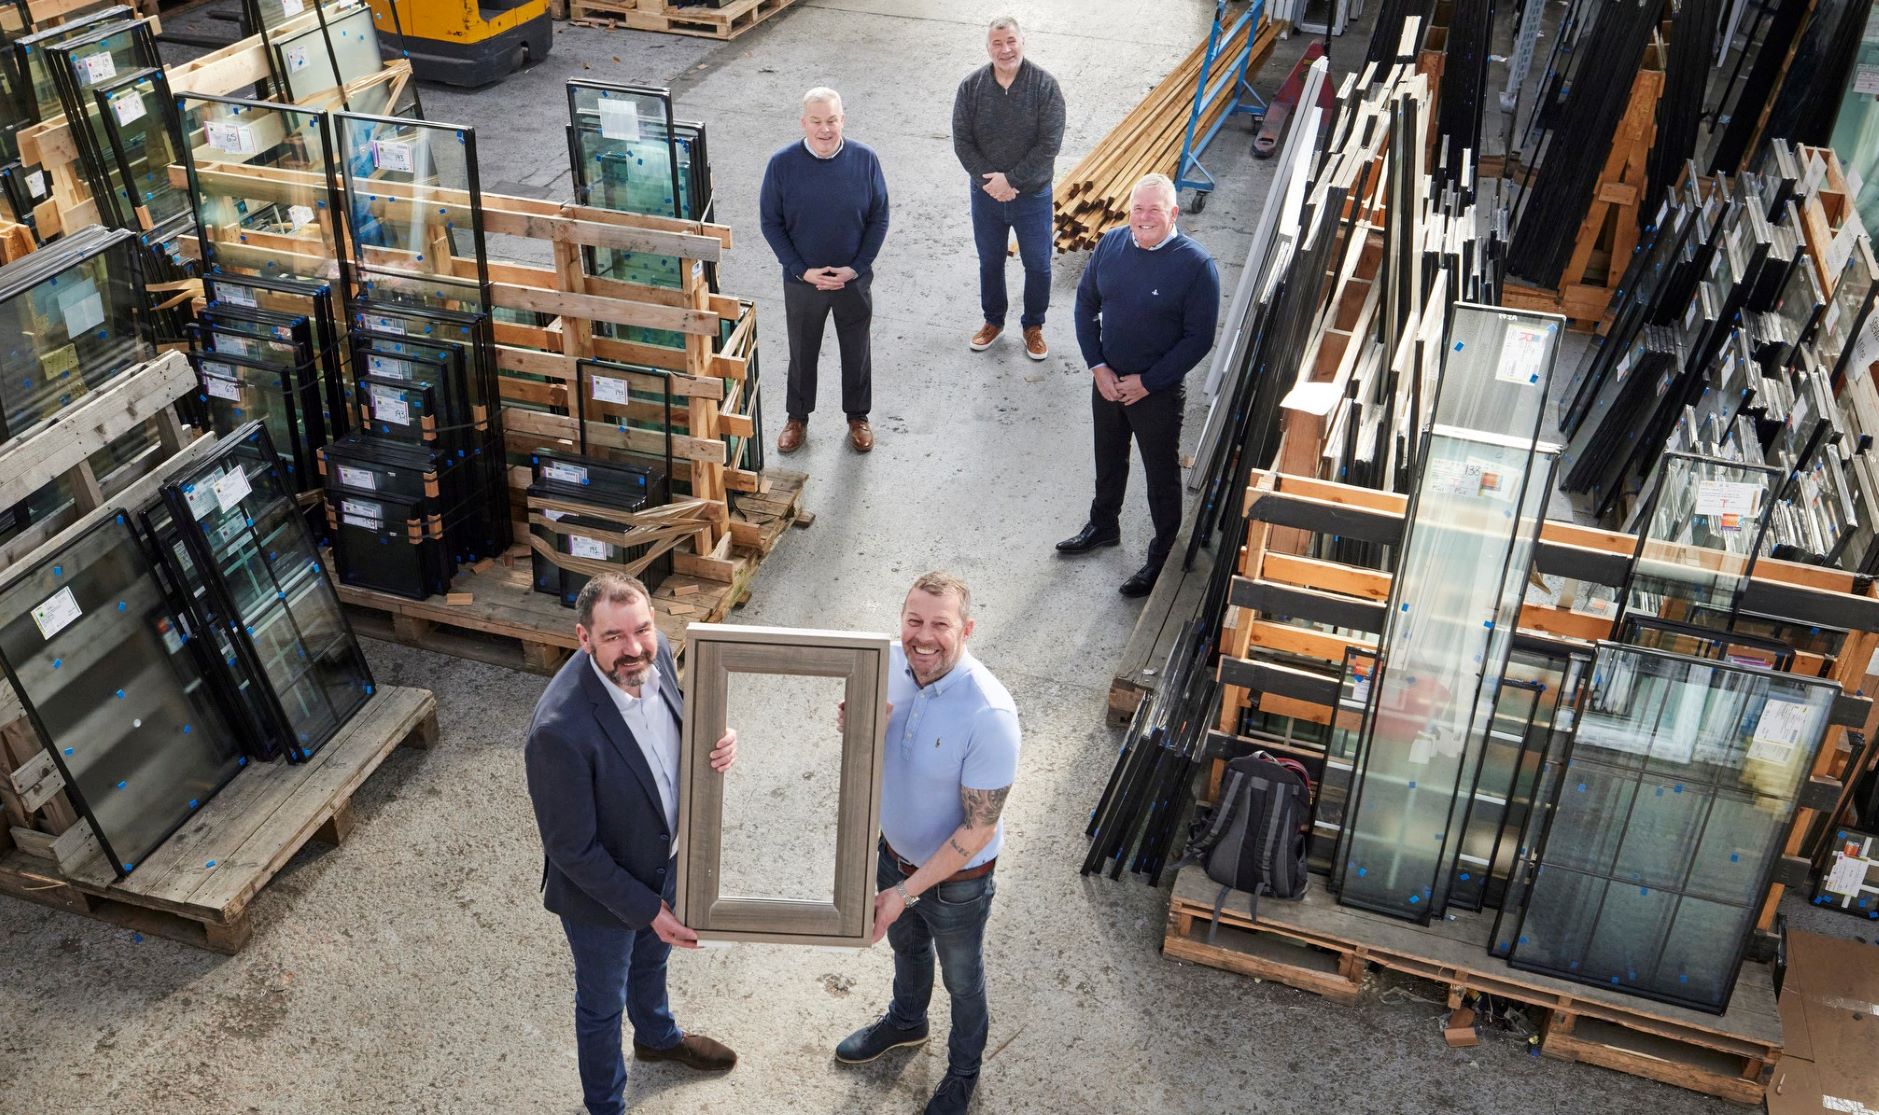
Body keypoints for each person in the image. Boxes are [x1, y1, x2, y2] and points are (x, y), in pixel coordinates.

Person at [524, 572, 740, 1115]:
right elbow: (572, 851)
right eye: (614, 637)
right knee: (601, 1004)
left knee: (652, 960)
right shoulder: (558, 730)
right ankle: (606, 1105)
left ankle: (657, 1038)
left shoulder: (657, 650)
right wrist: (648, 909)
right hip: (600, 894)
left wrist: (716, 739)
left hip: (662, 860)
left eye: (641, 630)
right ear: (583, 639)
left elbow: (679, 719)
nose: (634, 648)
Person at [833, 572, 1020, 1115]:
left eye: (941, 624)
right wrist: (855, 726)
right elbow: (866, 745)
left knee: (963, 979)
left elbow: (978, 827)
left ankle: (962, 1073)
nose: (924, 636)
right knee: (907, 948)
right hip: (893, 855)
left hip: (959, 883)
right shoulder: (885, 664)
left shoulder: (989, 714)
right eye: (914, 620)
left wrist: (904, 892)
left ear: (967, 629)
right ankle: (907, 1022)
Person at [1059, 174, 1221, 598]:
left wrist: (1148, 382)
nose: (1144, 218)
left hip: (1158, 393)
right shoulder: (1111, 245)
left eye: (1154, 210)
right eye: (1137, 209)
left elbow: (1198, 339)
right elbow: (1085, 304)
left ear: (1173, 214)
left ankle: (1163, 555)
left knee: (1161, 476)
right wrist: (1098, 367)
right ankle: (1103, 525)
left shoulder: (1196, 266)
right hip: (1108, 381)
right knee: (1107, 457)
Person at [760, 86, 891, 456]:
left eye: (831, 120)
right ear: (804, 122)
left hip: (853, 280)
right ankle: (796, 418)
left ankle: (858, 417)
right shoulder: (782, 164)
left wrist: (857, 267)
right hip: (804, 283)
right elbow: (771, 222)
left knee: (856, 349)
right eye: (816, 121)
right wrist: (802, 271)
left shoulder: (865, 160)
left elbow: (880, 216)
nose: (825, 129)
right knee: (802, 350)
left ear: (842, 120)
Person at [952, 15, 1065, 361]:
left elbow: (1050, 144)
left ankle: (1033, 326)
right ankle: (993, 321)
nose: (1005, 49)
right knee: (990, 261)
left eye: (1011, 41)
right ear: (988, 48)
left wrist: (1011, 180)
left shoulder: (1044, 86)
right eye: (997, 44)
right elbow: (962, 141)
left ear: (1023, 42)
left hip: (1032, 196)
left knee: (1039, 264)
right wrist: (991, 181)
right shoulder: (971, 88)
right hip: (986, 195)